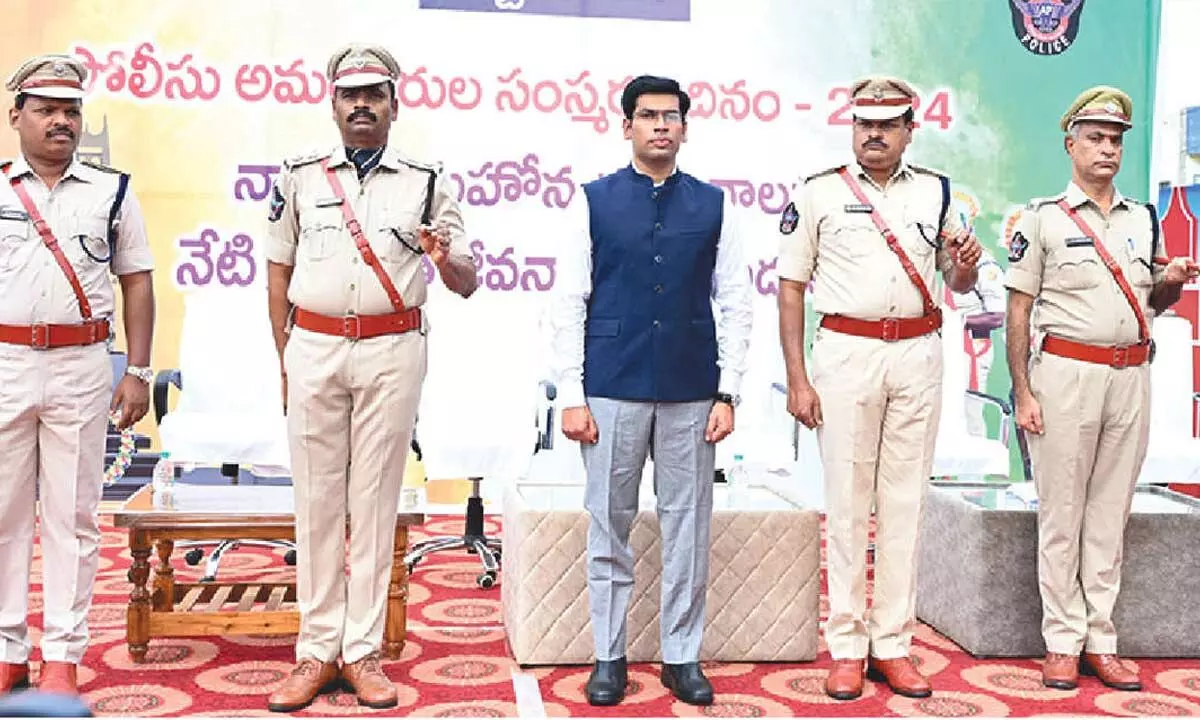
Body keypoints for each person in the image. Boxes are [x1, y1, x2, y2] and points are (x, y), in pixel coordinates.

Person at [263, 43, 477, 712]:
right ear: (332, 104)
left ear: (394, 103)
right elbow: (277, 271)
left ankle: (361, 653)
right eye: (350, 94)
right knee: (317, 504)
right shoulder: (297, 176)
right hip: (315, 349)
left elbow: (467, 282)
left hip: (391, 352)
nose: (362, 105)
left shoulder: (429, 179)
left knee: (376, 502)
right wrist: (284, 359)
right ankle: (313, 650)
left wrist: (445, 261)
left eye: (375, 94)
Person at [549, 74, 752, 707]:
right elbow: (567, 302)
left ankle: (681, 656)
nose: (660, 125)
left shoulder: (715, 206)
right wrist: (572, 393)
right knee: (608, 523)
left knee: (688, 524)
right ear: (627, 126)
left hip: (693, 389)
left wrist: (730, 392)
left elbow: (738, 302)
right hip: (611, 386)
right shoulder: (593, 201)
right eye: (648, 116)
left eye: (671, 116)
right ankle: (609, 655)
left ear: (686, 128)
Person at [776, 75, 981, 701]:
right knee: (845, 506)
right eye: (865, 123)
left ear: (909, 130)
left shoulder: (940, 193)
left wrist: (966, 264)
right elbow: (791, 287)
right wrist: (797, 378)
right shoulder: (818, 193)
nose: (874, 133)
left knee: (904, 507)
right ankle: (846, 645)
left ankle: (892, 645)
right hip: (845, 354)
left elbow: (961, 282)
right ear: (852, 126)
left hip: (919, 353)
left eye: (887, 124)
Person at [1005, 86, 1198, 692]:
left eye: (1115, 140)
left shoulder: (1142, 217)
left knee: (1111, 513)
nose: (1107, 149)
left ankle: (1101, 638)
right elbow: (1018, 310)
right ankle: (1062, 642)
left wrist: (1169, 279)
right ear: (1070, 145)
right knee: (1062, 512)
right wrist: (1023, 390)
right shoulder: (1041, 217)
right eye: (1095, 138)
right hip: (1064, 374)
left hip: (1130, 376)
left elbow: (1154, 302)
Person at [0, 53, 156, 696]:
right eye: (46, 110)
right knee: (4, 514)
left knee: (72, 516)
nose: (61, 121)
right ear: (17, 117)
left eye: (71, 110)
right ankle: (8, 650)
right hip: (5, 363)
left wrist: (138, 370)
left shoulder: (112, 190)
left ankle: (62, 655)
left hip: (82, 366)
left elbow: (137, 281)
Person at [949, 251, 1005, 435]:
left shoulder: (984, 264)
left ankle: (972, 459)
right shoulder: (933, 260)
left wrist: (954, 322)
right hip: (940, 348)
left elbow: (998, 316)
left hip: (970, 349)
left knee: (969, 415)